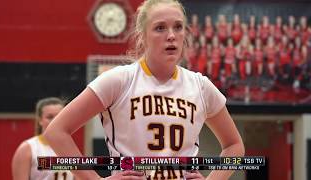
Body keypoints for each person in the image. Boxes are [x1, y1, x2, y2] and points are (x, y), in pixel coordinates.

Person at [43, 0, 245, 180]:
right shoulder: (119, 80)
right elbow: (56, 131)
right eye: (160, 28)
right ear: (142, 36)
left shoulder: (201, 86)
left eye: (178, 27)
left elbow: (234, 146)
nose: (172, 36)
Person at [12, 97, 74, 180]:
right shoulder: (28, 148)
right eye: (50, 117)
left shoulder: (70, 147)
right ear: (40, 120)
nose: (55, 120)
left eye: (59, 116)